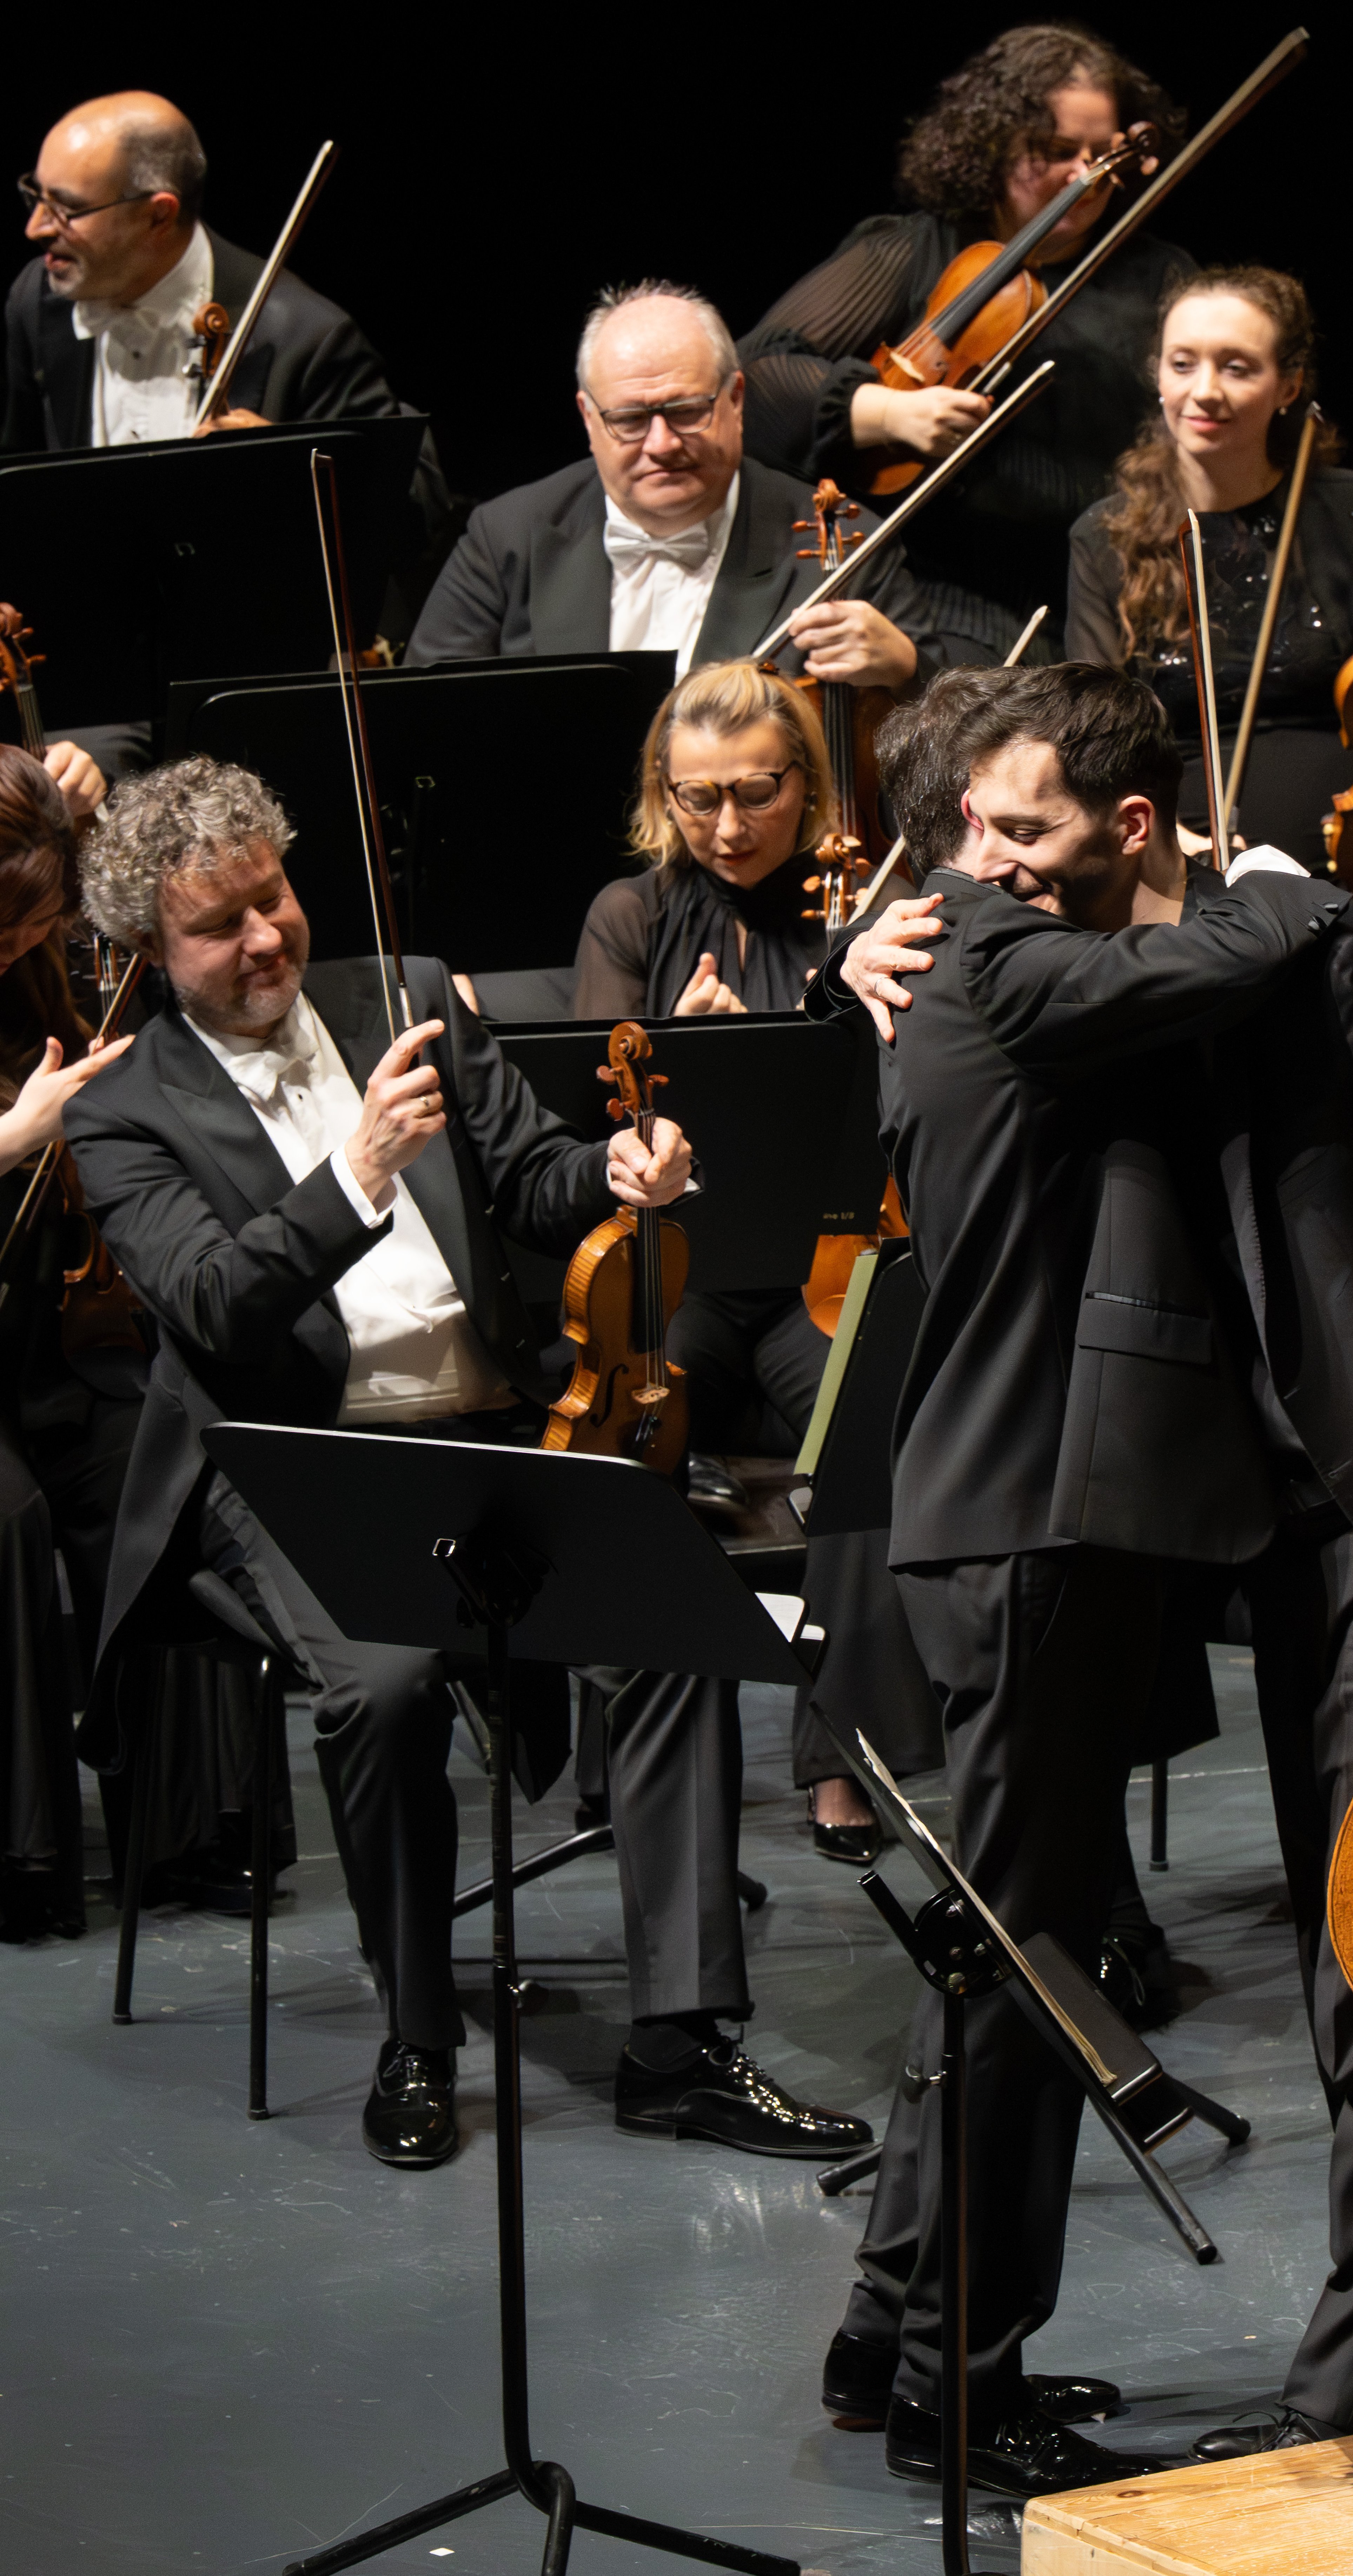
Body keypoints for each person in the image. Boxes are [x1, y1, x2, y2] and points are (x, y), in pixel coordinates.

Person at [807, 664, 1353, 2493]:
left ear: (1131, 823)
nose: (980, 861)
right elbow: (931, 963)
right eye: (976, 834)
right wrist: (839, 948)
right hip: (1113, 1488)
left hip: (1347, 1481)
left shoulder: (1266, 942)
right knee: (1018, 1938)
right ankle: (916, 2337)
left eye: (1019, 828)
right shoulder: (1020, 948)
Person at [60, 755, 868, 2172]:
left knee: (669, 1618)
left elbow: (534, 1176)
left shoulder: (407, 991)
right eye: (217, 924)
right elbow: (211, 1308)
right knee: (384, 1686)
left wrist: (618, 1169)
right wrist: (356, 1177)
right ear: (148, 947)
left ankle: (678, 2041)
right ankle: (417, 2036)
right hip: (300, 1458)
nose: (263, 938)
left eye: (273, 897)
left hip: (494, 1423)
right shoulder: (121, 1109)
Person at [569, 658, 942, 1946]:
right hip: (678, 1274)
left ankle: (840, 1745)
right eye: (698, 798)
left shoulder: (861, 910)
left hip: (802, 1277)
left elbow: (897, 1112)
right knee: (622, 1436)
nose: (727, 827)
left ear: (808, 782)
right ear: (660, 796)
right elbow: (586, 1130)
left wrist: (837, 1019)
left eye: (757, 793)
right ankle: (634, 1760)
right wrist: (673, 1061)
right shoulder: (630, 916)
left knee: (873, 1431)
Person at [1064, 263, 1353, 996]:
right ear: (1156, 377)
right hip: (1181, 870)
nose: (1205, 391)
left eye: (1237, 368)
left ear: (1287, 386)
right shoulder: (1102, 537)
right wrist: (1172, 845)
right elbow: (1093, 735)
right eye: (1183, 364)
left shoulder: (1352, 509)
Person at [739, 24, 1193, 662]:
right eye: (1056, 150)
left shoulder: (1160, 280)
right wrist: (889, 412)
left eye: (1100, 153)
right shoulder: (919, 250)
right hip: (944, 601)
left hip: (1114, 598)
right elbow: (751, 378)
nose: (1084, 176)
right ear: (994, 146)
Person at [408, 283, 937, 691]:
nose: (661, 444)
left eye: (686, 411)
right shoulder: (506, 536)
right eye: (631, 419)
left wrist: (907, 670)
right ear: (588, 418)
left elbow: (954, 730)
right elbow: (422, 719)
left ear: (734, 400)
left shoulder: (845, 542)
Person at [0, 745, 137, 1939]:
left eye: (43, 919)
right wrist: (13, 1137)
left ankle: (187, 1824)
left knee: (144, 1453)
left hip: (36, 1326)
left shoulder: (35, 969)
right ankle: (23, 1852)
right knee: (11, 1516)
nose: (25, 942)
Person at [6, 93, 418, 450]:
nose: (35, 228)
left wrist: (288, 470)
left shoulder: (309, 341)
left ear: (158, 217)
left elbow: (405, 506)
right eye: (36, 196)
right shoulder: (36, 299)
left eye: (67, 209)